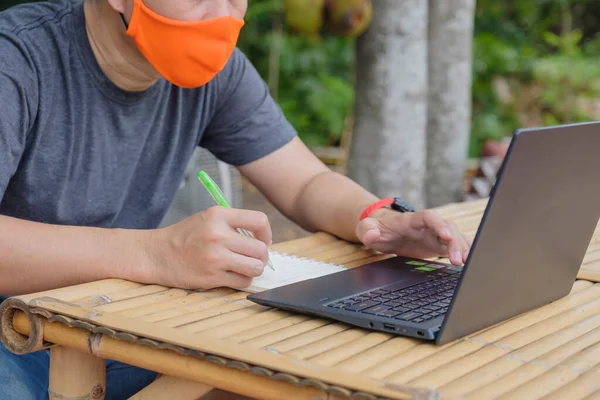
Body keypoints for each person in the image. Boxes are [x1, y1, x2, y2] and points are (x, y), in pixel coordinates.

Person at [0, 0, 472, 398]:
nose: (222, 16)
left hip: (112, 321)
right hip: (14, 332)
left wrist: (378, 218)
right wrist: (153, 254)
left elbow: (305, 182)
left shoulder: (218, 76)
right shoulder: (16, 60)